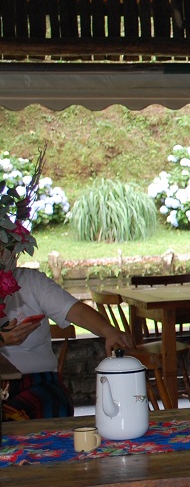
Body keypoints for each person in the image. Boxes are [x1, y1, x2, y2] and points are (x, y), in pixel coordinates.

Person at [1, 164, 134, 421]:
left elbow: (75, 310)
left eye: (5, 248)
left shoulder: (30, 281)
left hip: (37, 380)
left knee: (52, 407)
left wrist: (108, 331)